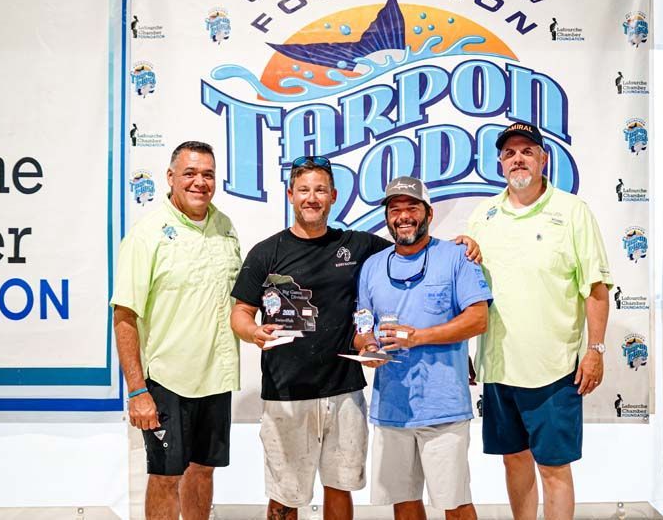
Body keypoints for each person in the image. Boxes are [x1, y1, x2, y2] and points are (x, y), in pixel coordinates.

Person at [229, 157, 480, 520]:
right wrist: (252, 331)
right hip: (285, 393)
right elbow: (240, 313)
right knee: (285, 494)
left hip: (344, 391)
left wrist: (465, 242)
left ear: (332, 196)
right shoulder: (266, 252)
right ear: (290, 195)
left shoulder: (360, 246)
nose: (311, 198)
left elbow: (411, 243)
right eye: (303, 190)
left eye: (319, 190)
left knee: (340, 486)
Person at [467, 121, 613, 520]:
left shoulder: (572, 212)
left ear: (543, 159)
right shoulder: (483, 216)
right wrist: (463, 350)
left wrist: (595, 351)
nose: (518, 159)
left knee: (553, 467)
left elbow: (596, 289)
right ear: (500, 164)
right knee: (514, 461)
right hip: (497, 367)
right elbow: (466, 291)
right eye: (510, 153)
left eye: (527, 151)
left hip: (554, 369)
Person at [111, 141, 242, 520]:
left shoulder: (225, 227)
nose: (200, 182)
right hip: (168, 382)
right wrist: (137, 390)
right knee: (165, 477)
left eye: (208, 174)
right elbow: (124, 315)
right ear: (170, 178)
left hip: (216, 379)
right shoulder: (147, 234)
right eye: (190, 173)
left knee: (203, 471)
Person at [353, 176, 492, 520]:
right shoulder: (372, 266)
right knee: (404, 502)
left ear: (428, 212)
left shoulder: (456, 256)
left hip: (444, 407)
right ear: (387, 217)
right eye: (395, 209)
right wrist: (367, 344)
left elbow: (478, 319)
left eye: (412, 207)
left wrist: (419, 337)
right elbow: (362, 324)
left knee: (454, 503)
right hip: (391, 407)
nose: (403, 216)